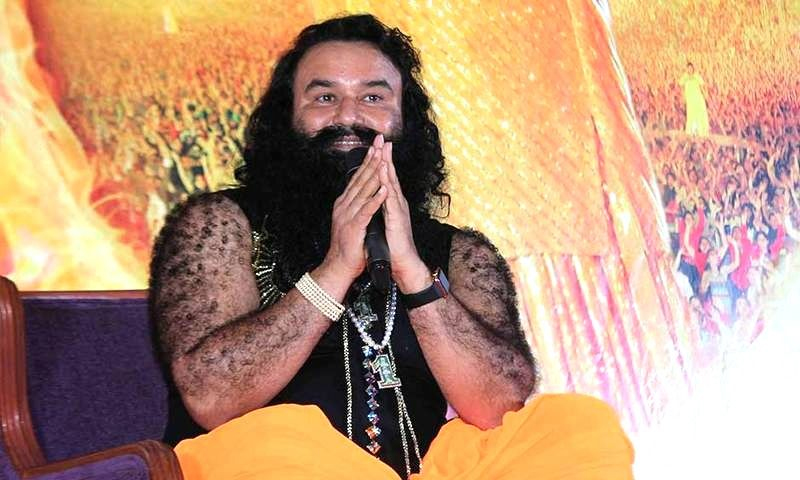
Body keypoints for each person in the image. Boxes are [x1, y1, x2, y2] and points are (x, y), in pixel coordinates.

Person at [149, 14, 633, 480]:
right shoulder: (220, 224)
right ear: (286, 119)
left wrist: (414, 273)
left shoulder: (459, 253)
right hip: (272, 466)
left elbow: (499, 406)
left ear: (405, 123)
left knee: (576, 428)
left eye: (373, 97)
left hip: (428, 470)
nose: (348, 117)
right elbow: (211, 398)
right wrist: (335, 270)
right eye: (324, 97)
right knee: (279, 442)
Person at [678, 62, 710, 136]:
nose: (690, 70)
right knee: (691, 115)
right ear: (686, 69)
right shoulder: (684, 77)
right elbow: (681, 88)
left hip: (698, 98)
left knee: (698, 114)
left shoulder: (697, 76)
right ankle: (692, 131)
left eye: (691, 68)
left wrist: (705, 96)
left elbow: (702, 87)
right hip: (690, 100)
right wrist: (683, 98)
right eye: (688, 68)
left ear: (693, 69)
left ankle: (700, 131)